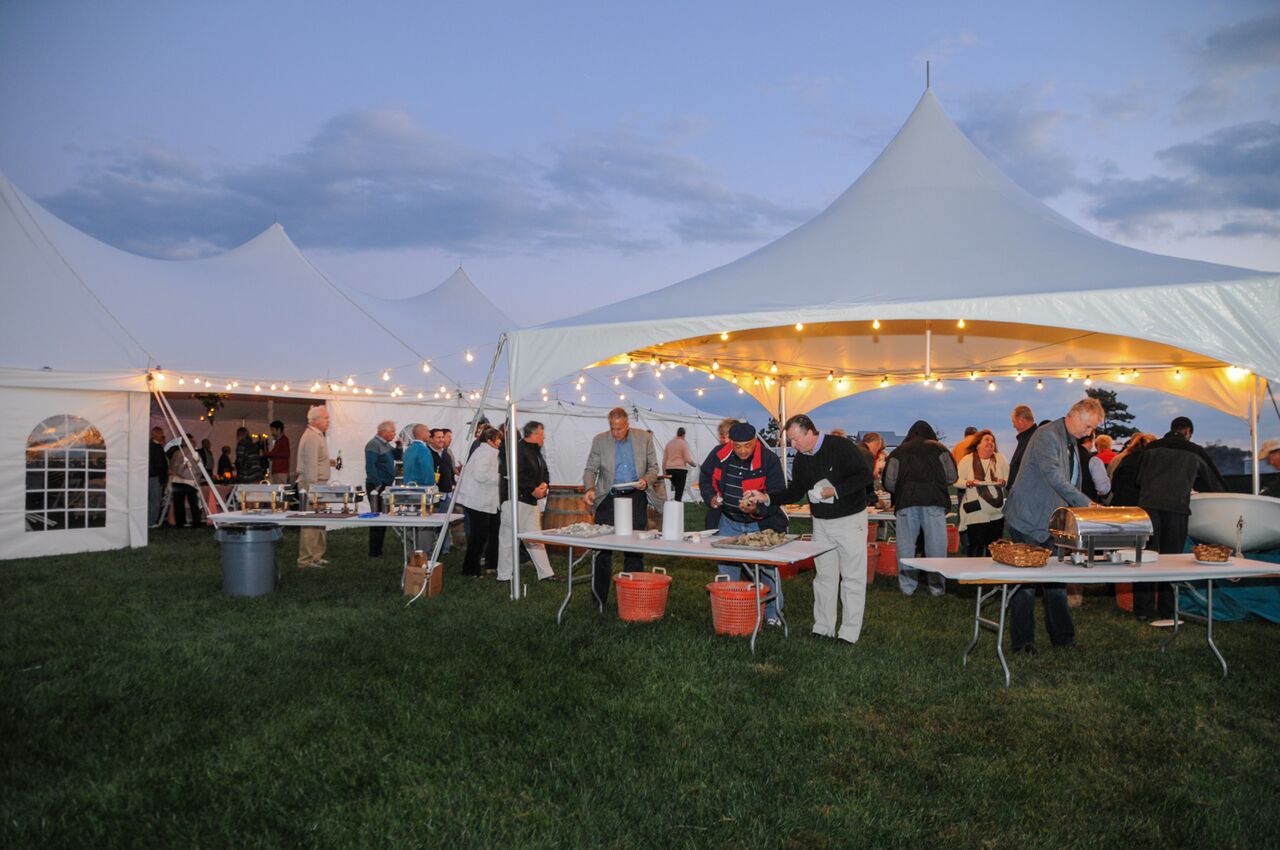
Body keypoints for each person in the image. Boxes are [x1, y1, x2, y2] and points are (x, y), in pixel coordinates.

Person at [757, 415, 873, 643]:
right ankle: (823, 627)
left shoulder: (840, 447)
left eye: (795, 439)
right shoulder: (801, 458)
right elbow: (795, 491)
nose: (793, 446)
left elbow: (865, 476)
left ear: (810, 432)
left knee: (852, 577)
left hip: (850, 520)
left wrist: (836, 491)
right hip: (821, 522)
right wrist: (768, 498)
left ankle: (849, 633)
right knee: (824, 576)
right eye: (790, 441)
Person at [1003, 397, 1105, 652]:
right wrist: (1085, 503)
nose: (1090, 433)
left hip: (1050, 521)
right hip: (1027, 518)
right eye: (1089, 426)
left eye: (1092, 429)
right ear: (1075, 415)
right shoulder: (1047, 435)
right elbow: (1054, 476)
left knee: (1057, 582)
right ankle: (1022, 642)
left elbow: (1069, 481)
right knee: (1025, 586)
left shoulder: (1069, 441)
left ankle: (1063, 639)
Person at [1134, 416, 1227, 621]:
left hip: (1148, 507)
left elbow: (1138, 478)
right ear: (1188, 432)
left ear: (1172, 429)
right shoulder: (1194, 451)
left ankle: (1142, 610)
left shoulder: (1150, 448)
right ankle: (1168, 610)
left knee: (1147, 557)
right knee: (1172, 560)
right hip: (1176, 508)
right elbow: (1213, 485)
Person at [700, 421, 789, 625]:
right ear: (731, 443)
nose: (742, 450)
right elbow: (705, 478)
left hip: (760, 524)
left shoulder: (769, 460)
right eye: (738, 446)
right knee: (727, 568)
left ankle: (773, 614)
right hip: (728, 520)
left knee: (767, 569)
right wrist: (711, 497)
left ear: (755, 442)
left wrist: (756, 509)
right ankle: (732, 611)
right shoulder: (719, 454)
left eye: (747, 446)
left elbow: (777, 494)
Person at [583, 407, 662, 606]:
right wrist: (590, 488)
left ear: (627, 425)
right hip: (608, 498)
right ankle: (598, 600)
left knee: (634, 549)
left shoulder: (644, 438)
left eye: (619, 428)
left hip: (636, 497)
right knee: (602, 549)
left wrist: (646, 479)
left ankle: (633, 599)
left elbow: (654, 468)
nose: (616, 432)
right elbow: (590, 469)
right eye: (612, 428)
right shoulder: (600, 440)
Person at [883, 420, 957, 597]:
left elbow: (889, 482)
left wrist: (902, 488)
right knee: (936, 547)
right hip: (934, 500)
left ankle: (907, 587)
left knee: (906, 546)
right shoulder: (940, 448)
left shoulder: (898, 451)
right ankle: (937, 588)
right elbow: (952, 476)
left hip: (906, 501)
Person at [497, 421, 557, 583]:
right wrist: (533, 490)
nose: (543, 437)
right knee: (508, 540)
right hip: (515, 501)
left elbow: (545, 472)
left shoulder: (536, 452)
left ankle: (546, 573)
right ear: (535, 434)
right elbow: (515, 475)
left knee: (535, 539)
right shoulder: (517, 449)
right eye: (542, 434)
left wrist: (544, 485)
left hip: (530, 502)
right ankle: (503, 576)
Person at [955, 429, 1009, 557]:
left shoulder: (1000, 459)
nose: (990, 442)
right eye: (986, 440)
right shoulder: (967, 459)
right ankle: (974, 576)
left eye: (992, 441)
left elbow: (1007, 479)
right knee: (976, 550)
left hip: (996, 513)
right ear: (978, 444)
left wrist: (1003, 481)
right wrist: (968, 483)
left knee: (994, 550)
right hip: (976, 512)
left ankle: (992, 576)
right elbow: (956, 481)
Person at [456, 426, 502, 576]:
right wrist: (502, 479)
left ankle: (488, 563)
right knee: (479, 536)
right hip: (478, 501)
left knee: (488, 533)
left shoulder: (489, 452)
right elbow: (480, 476)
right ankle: (470, 569)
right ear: (490, 440)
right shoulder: (484, 453)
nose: (500, 441)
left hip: (484, 501)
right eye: (498, 439)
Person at [296, 405, 336, 568]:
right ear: (316, 420)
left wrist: (328, 462)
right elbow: (310, 465)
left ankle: (316, 555)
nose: (328, 421)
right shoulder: (312, 437)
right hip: (313, 485)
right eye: (326, 418)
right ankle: (305, 559)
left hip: (318, 484)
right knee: (311, 522)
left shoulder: (317, 435)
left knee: (319, 521)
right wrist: (313, 489)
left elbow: (314, 460)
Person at [364, 420, 401, 557]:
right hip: (377, 486)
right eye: (392, 431)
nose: (394, 434)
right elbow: (370, 466)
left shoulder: (386, 445)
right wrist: (378, 484)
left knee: (383, 516)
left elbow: (397, 457)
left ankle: (378, 549)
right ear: (383, 432)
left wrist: (399, 446)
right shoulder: (373, 445)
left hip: (385, 486)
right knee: (377, 516)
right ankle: (374, 551)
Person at [401, 424, 437, 554]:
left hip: (408, 490)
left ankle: (411, 552)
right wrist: (432, 487)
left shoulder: (409, 449)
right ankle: (423, 553)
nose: (429, 434)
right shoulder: (423, 449)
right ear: (421, 433)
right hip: (422, 491)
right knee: (424, 524)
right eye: (428, 431)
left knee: (411, 521)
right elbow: (427, 471)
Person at [700, 418, 740, 529]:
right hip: (722, 516)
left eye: (724, 436)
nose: (721, 440)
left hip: (751, 519)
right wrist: (710, 497)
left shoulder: (754, 455)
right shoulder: (716, 453)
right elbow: (705, 478)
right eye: (721, 436)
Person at [1107, 433, 1157, 506]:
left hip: (1120, 502)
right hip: (1140, 506)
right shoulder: (1151, 461)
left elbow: (1114, 482)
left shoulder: (1126, 459)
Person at [166, 439, 203, 529]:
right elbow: (200, 468)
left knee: (178, 504)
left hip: (177, 481)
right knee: (193, 503)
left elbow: (171, 467)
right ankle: (196, 523)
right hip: (191, 481)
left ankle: (180, 523)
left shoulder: (176, 453)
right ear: (191, 444)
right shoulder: (195, 454)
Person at [1006, 405, 1039, 490]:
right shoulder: (1028, 437)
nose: (1013, 426)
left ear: (1021, 421)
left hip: (1028, 493)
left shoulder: (1035, 438)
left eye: (1014, 422)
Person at [662, 427, 697, 501]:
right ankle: (677, 509)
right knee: (679, 492)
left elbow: (664, 460)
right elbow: (687, 459)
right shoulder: (683, 443)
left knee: (677, 489)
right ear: (684, 435)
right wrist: (694, 464)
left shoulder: (669, 443)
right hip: (680, 470)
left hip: (669, 470)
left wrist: (664, 471)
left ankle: (675, 506)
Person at [1078, 432, 1111, 502]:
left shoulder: (1065, 457)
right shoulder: (1094, 460)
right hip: (1087, 504)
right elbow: (1103, 489)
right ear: (1088, 440)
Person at [148, 426, 168, 527]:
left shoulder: (155, 446)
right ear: (155, 434)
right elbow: (159, 463)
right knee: (154, 500)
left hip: (154, 475)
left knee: (152, 499)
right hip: (154, 476)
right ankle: (151, 521)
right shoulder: (154, 446)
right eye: (160, 434)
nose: (162, 436)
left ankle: (150, 520)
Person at [857, 433, 884, 508]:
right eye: (878, 447)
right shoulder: (867, 454)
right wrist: (874, 499)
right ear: (876, 443)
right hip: (861, 497)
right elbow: (867, 479)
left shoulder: (856, 449)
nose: (877, 451)